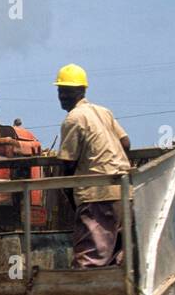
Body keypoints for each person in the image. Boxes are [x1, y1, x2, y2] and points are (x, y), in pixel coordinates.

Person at [54, 64, 131, 268]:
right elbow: (125, 143)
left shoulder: (73, 119)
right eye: (61, 91)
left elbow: (68, 163)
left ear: (80, 90)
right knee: (118, 259)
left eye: (66, 91)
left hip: (97, 196)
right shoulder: (103, 111)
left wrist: (70, 194)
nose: (62, 96)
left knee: (89, 261)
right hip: (123, 192)